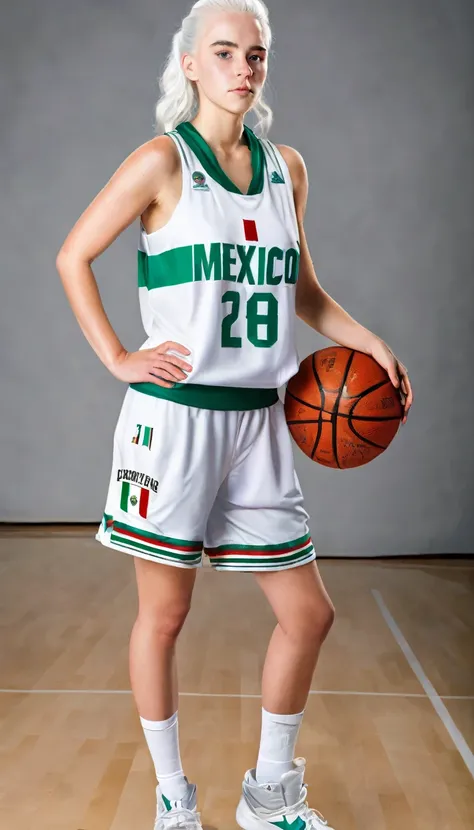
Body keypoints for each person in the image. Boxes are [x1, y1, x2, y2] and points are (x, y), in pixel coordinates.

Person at [56, 1, 413, 828]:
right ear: (188, 64)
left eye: (257, 54)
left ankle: (268, 796)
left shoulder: (287, 166)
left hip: (261, 421)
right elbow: (74, 254)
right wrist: (118, 356)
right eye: (224, 52)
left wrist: (373, 343)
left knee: (309, 613)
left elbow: (304, 292)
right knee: (166, 615)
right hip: (175, 421)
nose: (243, 68)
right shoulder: (159, 162)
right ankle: (175, 800)